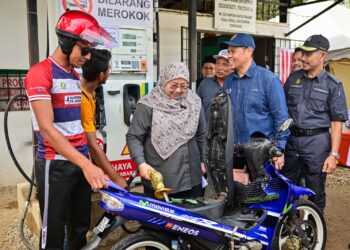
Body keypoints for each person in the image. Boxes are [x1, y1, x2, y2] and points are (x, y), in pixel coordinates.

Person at [24, 10, 117, 249]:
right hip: (55, 163)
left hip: (79, 161)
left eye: (90, 51)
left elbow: (78, 125)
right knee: (53, 231)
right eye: (84, 50)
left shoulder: (75, 76)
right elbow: (47, 129)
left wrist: (89, 161)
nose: (87, 57)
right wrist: (87, 164)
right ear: (66, 42)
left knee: (79, 226)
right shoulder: (40, 73)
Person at [281, 35, 348, 212]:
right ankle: (288, 227)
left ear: (322, 55)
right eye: (303, 52)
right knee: (285, 186)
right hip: (291, 141)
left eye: (309, 54)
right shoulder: (293, 79)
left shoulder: (333, 85)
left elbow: (336, 123)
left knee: (315, 189)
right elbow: (281, 112)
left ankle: (313, 229)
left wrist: (333, 155)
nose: (303, 57)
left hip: (317, 144)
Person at [126, 61, 206, 198]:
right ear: (163, 82)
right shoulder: (148, 104)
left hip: (192, 175)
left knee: (191, 216)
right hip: (160, 178)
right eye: (173, 86)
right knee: (162, 218)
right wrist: (141, 163)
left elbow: (201, 134)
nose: (179, 90)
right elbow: (134, 136)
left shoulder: (194, 101)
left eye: (184, 86)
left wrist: (203, 161)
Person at [221, 33, 289, 170]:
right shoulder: (228, 81)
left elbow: (281, 117)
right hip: (234, 154)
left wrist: (279, 149)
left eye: (233, 51)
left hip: (261, 154)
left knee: (258, 192)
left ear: (249, 51)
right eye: (228, 51)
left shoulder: (268, 79)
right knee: (236, 191)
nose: (228, 56)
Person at [81, 49, 128, 188]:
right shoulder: (82, 100)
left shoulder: (90, 93)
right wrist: (115, 176)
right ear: (101, 75)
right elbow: (91, 145)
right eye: (109, 69)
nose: (109, 72)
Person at [197, 49, 233, 122]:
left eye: (224, 64)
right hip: (207, 131)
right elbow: (196, 109)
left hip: (231, 132)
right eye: (217, 63)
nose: (219, 68)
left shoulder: (237, 85)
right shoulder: (205, 84)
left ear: (232, 67)